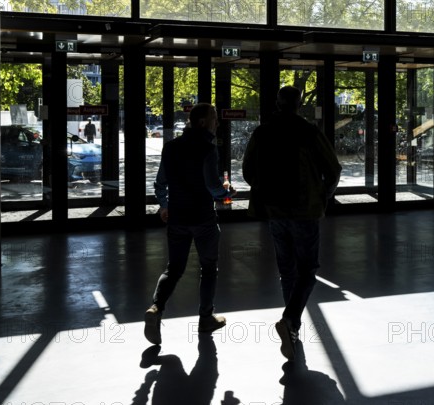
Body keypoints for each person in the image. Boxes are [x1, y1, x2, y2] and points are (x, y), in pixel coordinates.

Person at [242, 86, 342, 360]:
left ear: (276, 102)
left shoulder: (263, 132)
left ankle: (292, 325)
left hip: (275, 210)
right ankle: (290, 322)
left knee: (287, 271)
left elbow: (248, 170)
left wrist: (266, 191)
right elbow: (333, 169)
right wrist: (322, 195)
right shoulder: (309, 132)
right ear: (299, 104)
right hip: (304, 210)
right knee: (308, 270)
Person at [145, 103, 236, 345]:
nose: (218, 123)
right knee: (208, 268)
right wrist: (227, 192)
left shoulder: (171, 147)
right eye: (215, 118)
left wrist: (165, 205)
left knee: (174, 269)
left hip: (177, 216)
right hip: (203, 218)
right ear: (204, 122)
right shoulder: (207, 148)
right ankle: (205, 318)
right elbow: (213, 185)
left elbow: (160, 182)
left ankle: (155, 308)